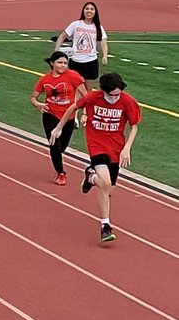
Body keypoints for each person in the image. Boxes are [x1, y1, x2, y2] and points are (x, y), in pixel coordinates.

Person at [50, 72, 141, 244]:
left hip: (116, 147)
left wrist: (127, 148)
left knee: (109, 190)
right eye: (111, 95)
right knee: (105, 183)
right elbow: (73, 107)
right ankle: (105, 227)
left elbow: (134, 126)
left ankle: (90, 177)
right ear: (103, 91)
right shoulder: (92, 97)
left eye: (118, 94)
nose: (115, 98)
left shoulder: (128, 101)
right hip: (96, 145)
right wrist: (59, 127)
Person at [30, 51, 87, 185]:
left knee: (62, 147)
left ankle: (57, 161)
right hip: (50, 115)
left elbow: (85, 96)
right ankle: (61, 173)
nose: (63, 65)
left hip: (68, 116)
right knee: (54, 143)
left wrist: (84, 113)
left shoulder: (73, 76)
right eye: (60, 63)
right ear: (52, 63)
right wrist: (39, 105)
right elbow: (33, 97)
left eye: (65, 63)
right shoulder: (45, 80)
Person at [54, 1, 108, 86]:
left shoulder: (98, 27)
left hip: (91, 62)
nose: (89, 11)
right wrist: (56, 49)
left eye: (91, 9)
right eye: (87, 9)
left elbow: (103, 43)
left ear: (95, 12)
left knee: (88, 90)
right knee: (75, 88)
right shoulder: (75, 24)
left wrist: (105, 55)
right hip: (75, 61)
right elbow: (62, 36)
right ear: (83, 11)